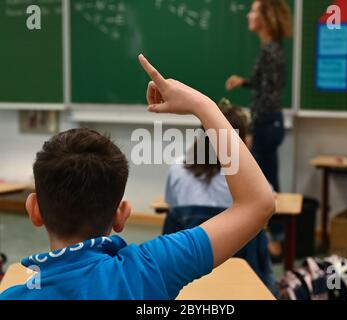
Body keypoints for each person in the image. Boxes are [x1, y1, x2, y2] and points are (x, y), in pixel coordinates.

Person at [0, 55, 275, 300]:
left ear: (34, 210)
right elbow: (258, 204)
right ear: (122, 215)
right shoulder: (149, 270)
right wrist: (203, 106)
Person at [164, 99, 278, 295]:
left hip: (187, 271)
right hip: (243, 273)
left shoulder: (177, 169)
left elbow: (172, 207)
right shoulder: (250, 184)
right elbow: (267, 204)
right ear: (241, 141)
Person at [226, 0, 292, 256]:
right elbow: (264, 85)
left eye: (254, 10)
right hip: (269, 122)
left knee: (265, 185)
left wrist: (251, 129)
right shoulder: (270, 49)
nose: (249, 15)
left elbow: (268, 96)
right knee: (267, 182)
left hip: (267, 123)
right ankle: (273, 240)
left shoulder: (271, 51)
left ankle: (274, 241)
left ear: (264, 17)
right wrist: (244, 81)